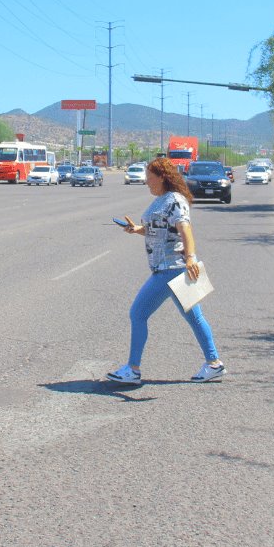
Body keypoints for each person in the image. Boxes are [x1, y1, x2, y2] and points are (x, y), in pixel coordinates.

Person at [107, 157, 225, 385]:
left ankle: (133, 369)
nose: (146, 182)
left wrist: (190, 257)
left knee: (138, 313)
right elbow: (161, 230)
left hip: (172, 268)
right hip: (170, 267)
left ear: (162, 177)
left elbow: (185, 229)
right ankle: (214, 364)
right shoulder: (163, 199)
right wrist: (137, 229)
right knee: (195, 318)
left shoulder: (174, 200)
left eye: (150, 178)